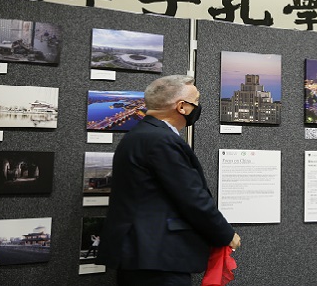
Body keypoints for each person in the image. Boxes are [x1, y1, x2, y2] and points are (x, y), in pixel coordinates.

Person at [98, 75, 240, 286]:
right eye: (197, 101)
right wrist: (225, 234)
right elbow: (191, 197)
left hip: (141, 254)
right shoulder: (162, 140)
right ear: (182, 107)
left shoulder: (139, 135)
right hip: (158, 258)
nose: (198, 107)